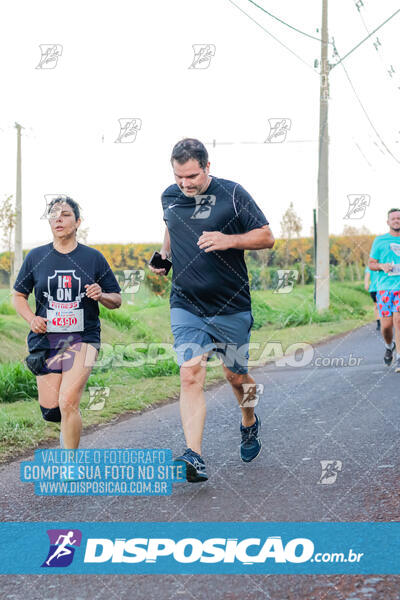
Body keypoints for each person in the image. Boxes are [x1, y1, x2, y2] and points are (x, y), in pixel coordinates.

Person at [149, 138, 274, 482]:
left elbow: (266, 237)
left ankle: (249, 420)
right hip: (186, 303)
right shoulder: (170, 196)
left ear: (207, 167)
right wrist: (166, 257)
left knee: (235, 376)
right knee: (190, 373)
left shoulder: (233, 194)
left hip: (230, 303)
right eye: (179, 177)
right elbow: (171, 225)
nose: (185, 184)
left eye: (192, 176)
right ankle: (195, 455)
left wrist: (228, 239)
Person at [13, 197, 122, 449]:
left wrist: (101, 295)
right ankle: (68, 424)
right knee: (52, 410)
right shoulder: (36, 257)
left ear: (78, 222)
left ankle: (70, 463)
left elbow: (116, 299)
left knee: (68, 401)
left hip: (83, 337)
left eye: (65, 214)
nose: (58, 219)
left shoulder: (93, 258)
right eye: (53, 215)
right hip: (46, 339)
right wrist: (32, 319)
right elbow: (19, 296)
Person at [369, 208, 400, 371]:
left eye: (399, 218)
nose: (397, 220)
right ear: (388, 222)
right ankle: (389, 346)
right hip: (384, 289)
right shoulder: (380, 241)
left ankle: (399, 358)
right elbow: (371, 263)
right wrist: (381, 266)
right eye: (393, 218)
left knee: (399, 321)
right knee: (386, 325)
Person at [364, 265, 380, 330]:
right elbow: (367, 275)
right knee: (377, 306)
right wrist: (366, 284)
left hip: (384, 288)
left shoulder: (384, 263)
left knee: (379, 306)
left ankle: (384, 321)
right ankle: (379, 322)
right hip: (374, 289)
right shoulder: (370, 266)